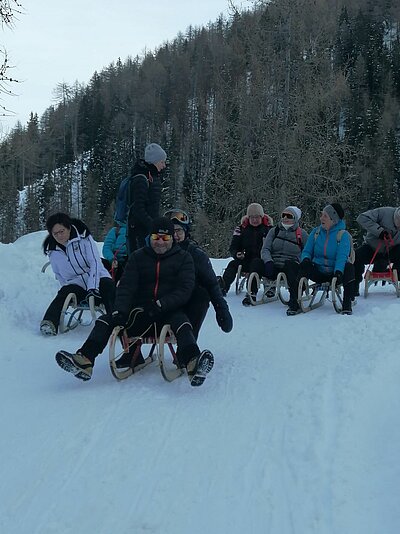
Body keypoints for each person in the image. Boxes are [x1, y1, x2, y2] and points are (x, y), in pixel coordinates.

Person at [55, 217, 214, 387]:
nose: (160, 242)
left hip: (169, 311)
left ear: (172, 239)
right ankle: (84, 360)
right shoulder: (139, 257)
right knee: (106, 320)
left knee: (182, 322)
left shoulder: (183, 258)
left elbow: (185, 289)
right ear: (150, 237)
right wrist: (120, 311)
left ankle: (192, 362)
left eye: (165, 238)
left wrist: (162, 303)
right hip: (141, 312)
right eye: (156, 238)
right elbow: (126, 287)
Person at [40, 212, 116, 336]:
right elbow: (58, 273)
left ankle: (116, 323)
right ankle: (50, 321)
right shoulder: (52, 250)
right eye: (55, 233)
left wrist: (93, 287)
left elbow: (95, 263)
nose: (59, 236)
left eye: (62, 231)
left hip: (97, 276)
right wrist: (68, 286)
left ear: (69, 228)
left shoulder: (83, 238)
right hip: (76, 282)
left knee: (109, 287)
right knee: (64, 293)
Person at [164, 208, 233, 339]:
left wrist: (221, 309)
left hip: (187, 303)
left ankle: (188, 344)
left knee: (201, 294)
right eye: (171, 232)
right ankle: (132, 352)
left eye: (178, 230)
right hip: (161, 303)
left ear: (186, 231)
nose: (175, 235)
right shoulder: (157, 252)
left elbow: (211, 283)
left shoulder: (196, 255)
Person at [292, 203, 355, 316]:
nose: (321, 218)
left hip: (335, 274)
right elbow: (307, 251)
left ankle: (347, 303)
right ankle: (295, 301)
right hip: (319, 271)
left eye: (325, 216)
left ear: (333, 219)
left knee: (349, 267)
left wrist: (338, 272)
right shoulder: (316, 232)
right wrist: (306, 259)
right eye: (322, 215)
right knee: (302, 266)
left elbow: (342, 256)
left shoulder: (342, 235)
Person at [218, 203, 273, 306]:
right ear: (248, 217)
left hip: (262, 260)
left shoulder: (269, 229)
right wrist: (237, 253)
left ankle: (252, 292)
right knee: (232, 264)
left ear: (261, 217)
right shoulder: (241, 229)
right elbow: (234, 246)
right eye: (252, 217)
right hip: (247, 259)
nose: (254, 220)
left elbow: (274, 247)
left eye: (257, 217)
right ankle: (223, 287)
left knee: (256, 264)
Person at [261, 206, 308, 312]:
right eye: (283, 215)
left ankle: (294, 300)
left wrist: (299, 261)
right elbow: (265, 249)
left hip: (291, 266)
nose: (285, 218)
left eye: (289, 216)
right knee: (256, 262)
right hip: (273, 264)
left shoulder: (302, 234)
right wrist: (268, 261)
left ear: (295, 218)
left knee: (290, 266)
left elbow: (307, 252)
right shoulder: (274, 231)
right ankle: (251, 293)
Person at [122, 142, 166, 254]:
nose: (164, 165)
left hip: (147, 231)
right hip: (140, 232)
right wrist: (152, 225)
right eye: (162, 162)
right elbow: (138, 208)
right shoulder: (141, 179)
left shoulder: (151, 177)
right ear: (155, 161)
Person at [354, 206, 400, 296]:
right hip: (372, 247)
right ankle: (353, 288)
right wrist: (380, 231)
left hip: (392, 250)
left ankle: (396, 276)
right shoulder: (384, 212)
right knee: (356, 256)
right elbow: (362, 218)